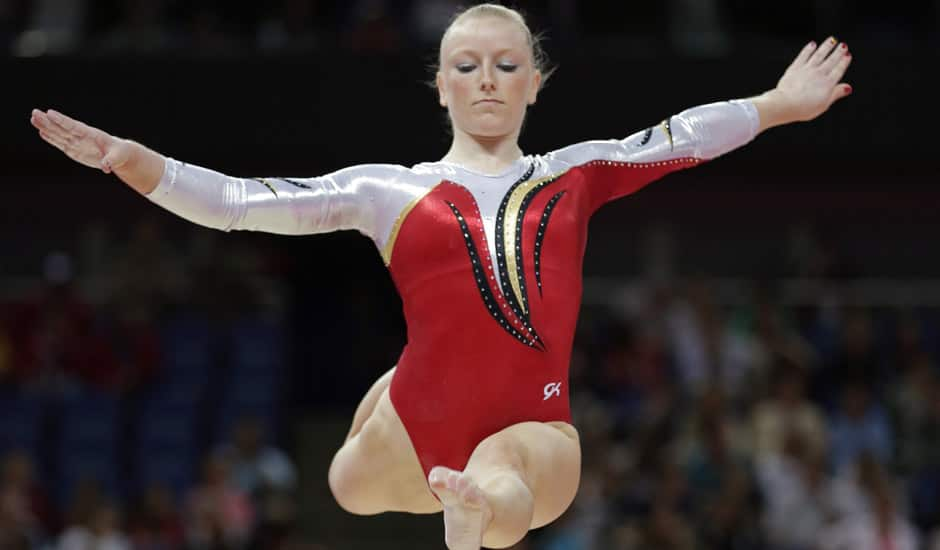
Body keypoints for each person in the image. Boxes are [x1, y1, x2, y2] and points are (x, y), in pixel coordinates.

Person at [29, 4, 853, 548]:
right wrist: (135, 165)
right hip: (417, 425)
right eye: (466, 66)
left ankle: (473, 514)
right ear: (441, 89)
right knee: (345, 484)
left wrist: (779, 102)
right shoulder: (386, 190)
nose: (486, 79)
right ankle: (424, 439)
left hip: (536, 433)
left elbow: (681, 136)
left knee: (504, 489)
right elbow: (243, 203)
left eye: (505, 64)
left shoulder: (575, 172)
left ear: (535, 83)